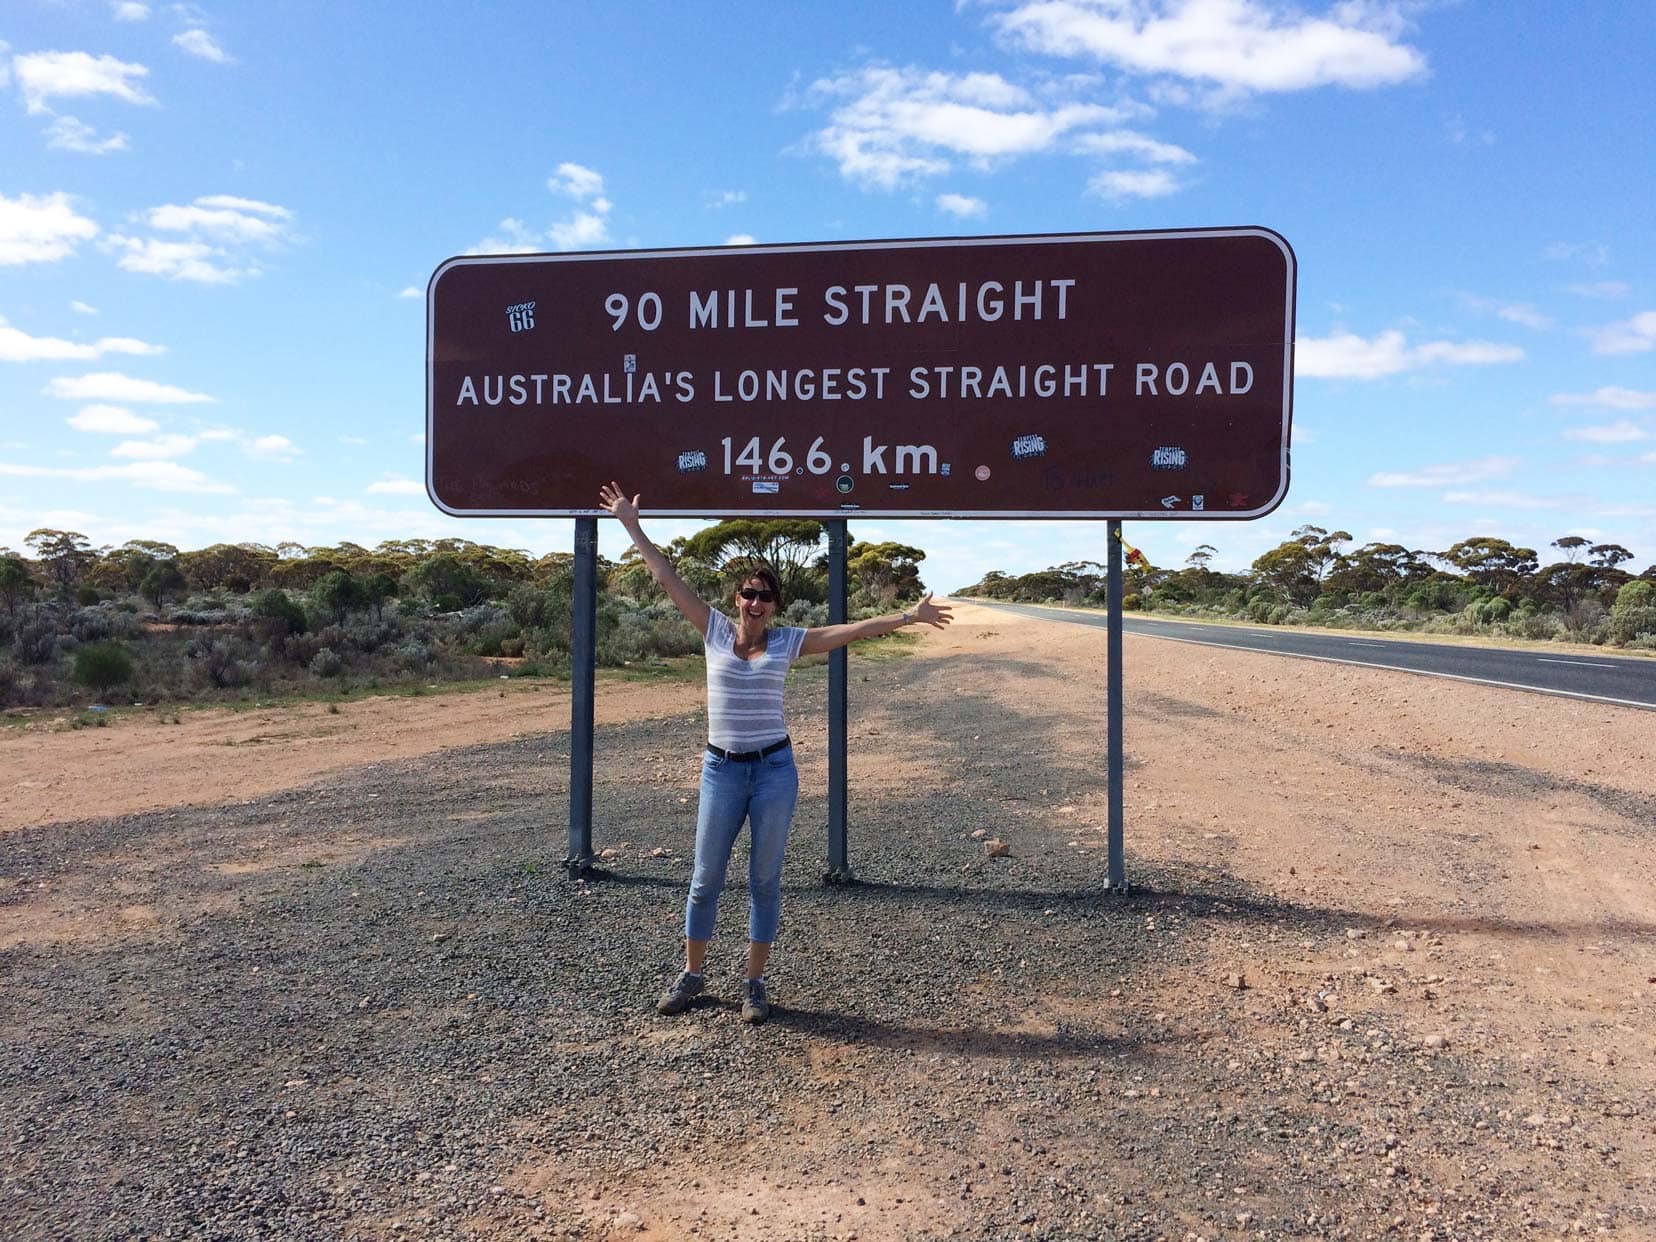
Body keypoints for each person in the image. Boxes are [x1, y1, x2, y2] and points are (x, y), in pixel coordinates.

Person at [597, 482, 952, 1023]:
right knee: (704, 877)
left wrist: (907, 617)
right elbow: (666, 577)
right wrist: (630, 524)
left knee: (765, 880)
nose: (755, 603)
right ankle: (692, 975)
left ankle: (754, 984)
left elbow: (848, 631)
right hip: (721, 770)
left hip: (773, 772)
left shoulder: (787, 641)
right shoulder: (713, 631)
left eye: (765, 595)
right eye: (747, 593)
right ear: (736, 599)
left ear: (775, 604)